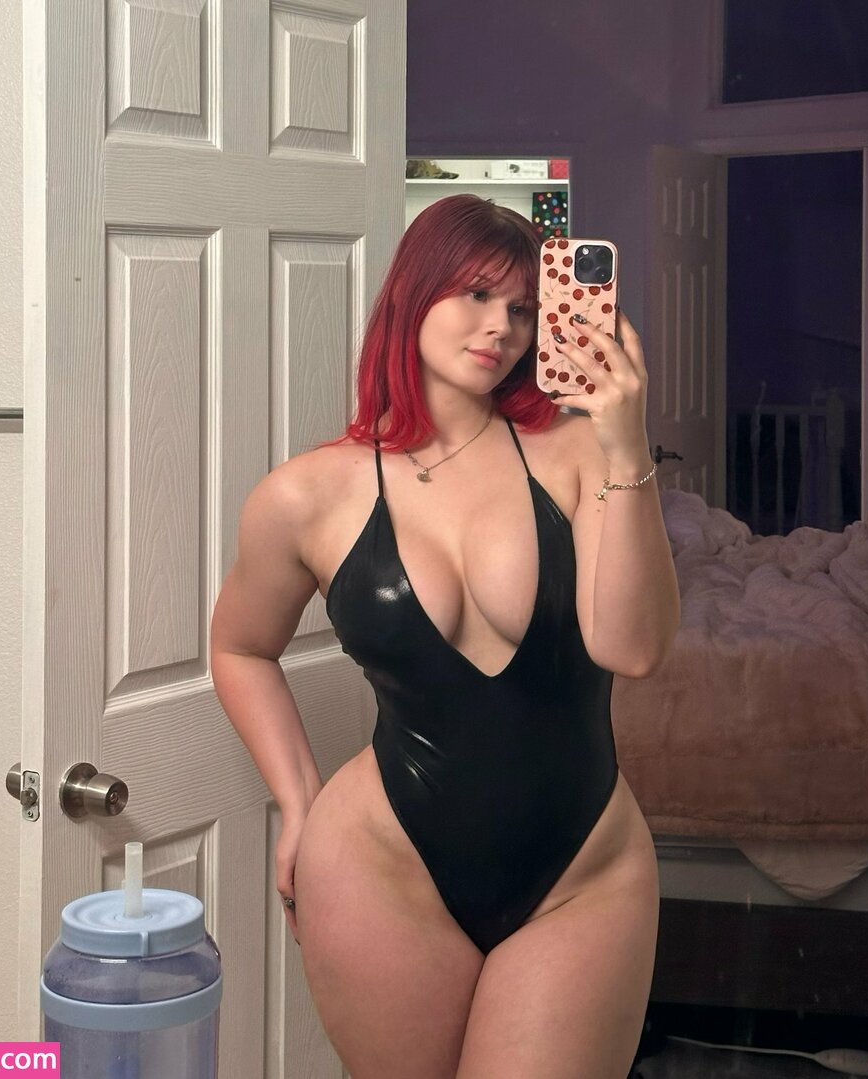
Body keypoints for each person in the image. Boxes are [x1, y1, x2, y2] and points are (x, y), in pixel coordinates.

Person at [210, 194, 680, 1078]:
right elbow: (240, 646)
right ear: (413, 291)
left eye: (523, 308)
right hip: (381, 864)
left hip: (581, 873)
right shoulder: (306, 495)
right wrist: (299, 802)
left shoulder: (579, 454)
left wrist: (628, 446)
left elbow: (635, 648)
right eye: (475, 293)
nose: (501, 326)